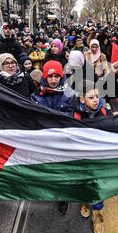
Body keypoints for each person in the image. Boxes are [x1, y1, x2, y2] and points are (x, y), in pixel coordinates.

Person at [31, 60, 76, 215]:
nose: (54, 80)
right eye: (50, 76)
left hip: (63, 140)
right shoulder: (35, 95)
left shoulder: (69, 94)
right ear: (45, 77)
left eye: (57, 76)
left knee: (64, 171)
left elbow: (71, 115)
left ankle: (63, 197)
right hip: (45, 141)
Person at [74, 80, 110, 233]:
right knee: (84, 181)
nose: (96, 100)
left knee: (98, 184)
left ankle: (97, 211)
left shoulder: (102, 110)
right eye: (91, 97)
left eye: (97, 96)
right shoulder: (75, 115)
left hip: (99, 155)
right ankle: (84, 200)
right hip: (82, 156)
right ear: (82, 99)